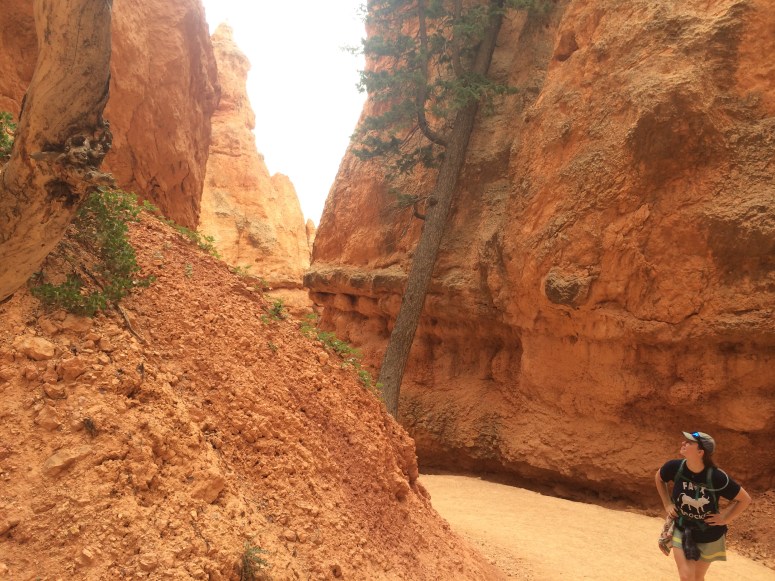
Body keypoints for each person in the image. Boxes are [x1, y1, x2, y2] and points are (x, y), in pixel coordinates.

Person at [655, 431, 752, 581]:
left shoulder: (717, 477)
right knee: (686, 577)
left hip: (709, 534)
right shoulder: (674, 467)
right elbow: (659, 477)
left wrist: (725, 518)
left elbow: (744, 499)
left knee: (698, 577)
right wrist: (667, 503)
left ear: (700, 452)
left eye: (689, 442)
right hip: (682, 529)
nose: (683, 443)